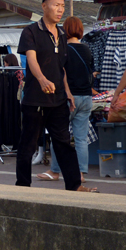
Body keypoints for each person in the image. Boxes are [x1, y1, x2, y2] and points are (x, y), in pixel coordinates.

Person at [15, 0, 97, 192]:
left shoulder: (61, 34)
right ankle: (23, 187)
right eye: (56, 5)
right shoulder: (30, 32)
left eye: (62, 5)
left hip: (59, 99)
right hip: (35, 99)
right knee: (28, 144)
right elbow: (31, 59)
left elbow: (62, 69)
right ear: (44, 6)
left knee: (64, 144)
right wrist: (42, 79)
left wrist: (68, 91)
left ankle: (74, 185)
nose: (60, 9)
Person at [38, 16, 95, 184]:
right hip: (86, 97)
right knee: (81, 138)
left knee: (59, 135)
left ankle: (55, 171)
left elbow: (60, 73)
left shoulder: (63, 49)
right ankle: (81, 173)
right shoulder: (87, 49)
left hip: (68, 98)